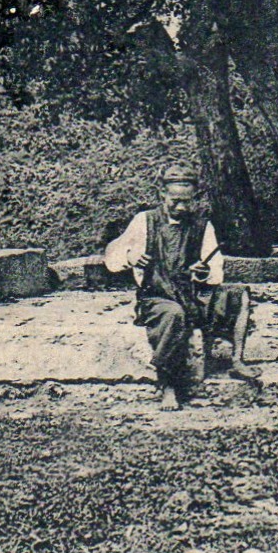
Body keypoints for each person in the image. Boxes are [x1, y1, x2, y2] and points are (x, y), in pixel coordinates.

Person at [104, 166, 260, 409]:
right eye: (175, 201)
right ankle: (168, 385)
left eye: (187, 202)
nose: (181, 208)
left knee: (240, 296)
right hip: (158, 298)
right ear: (162, 195)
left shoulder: (202, 226)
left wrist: (204, 272)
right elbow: (111, 257)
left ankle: (237, 361)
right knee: (173, 315)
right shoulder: (145, 221)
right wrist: (130, 256)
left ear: (195, 199)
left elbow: (215, 269)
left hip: (193, 296)